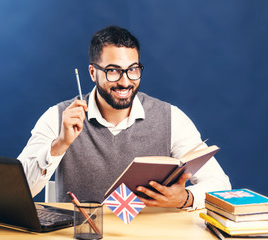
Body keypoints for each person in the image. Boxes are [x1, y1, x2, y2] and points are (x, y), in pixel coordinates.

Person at [18, 25, 231, 209]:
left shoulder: (171, 117)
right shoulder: (58, 118)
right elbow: (19, 188)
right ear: (92, 73)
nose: (125, 81)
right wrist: (59, 145)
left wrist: (187, 198)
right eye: (113, 71)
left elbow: (219, 183)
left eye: (133, 69)